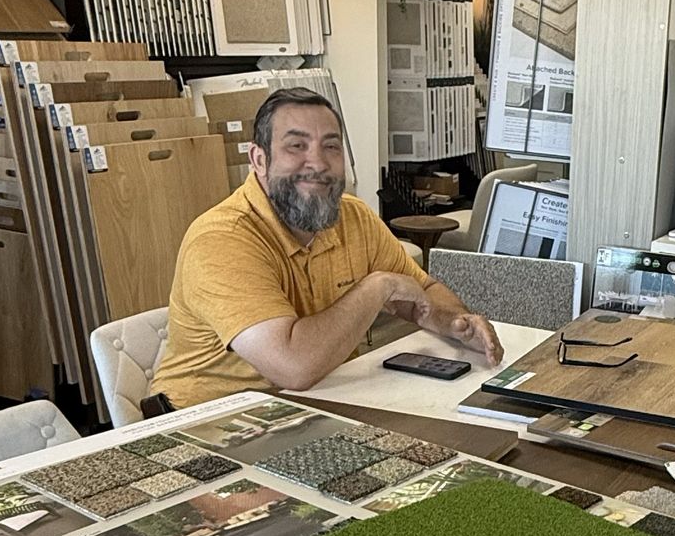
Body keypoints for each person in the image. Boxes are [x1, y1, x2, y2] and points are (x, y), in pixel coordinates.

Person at [151, 87, 501, 409]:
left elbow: (422, 291)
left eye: (331, 146)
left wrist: (455, 323)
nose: (318, 164)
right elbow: (294, 368)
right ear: (259, 160)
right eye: (296, 146)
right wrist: (380, 286)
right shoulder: (221, 239)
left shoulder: (353, 217)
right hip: (204, 423)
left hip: (311, 404)